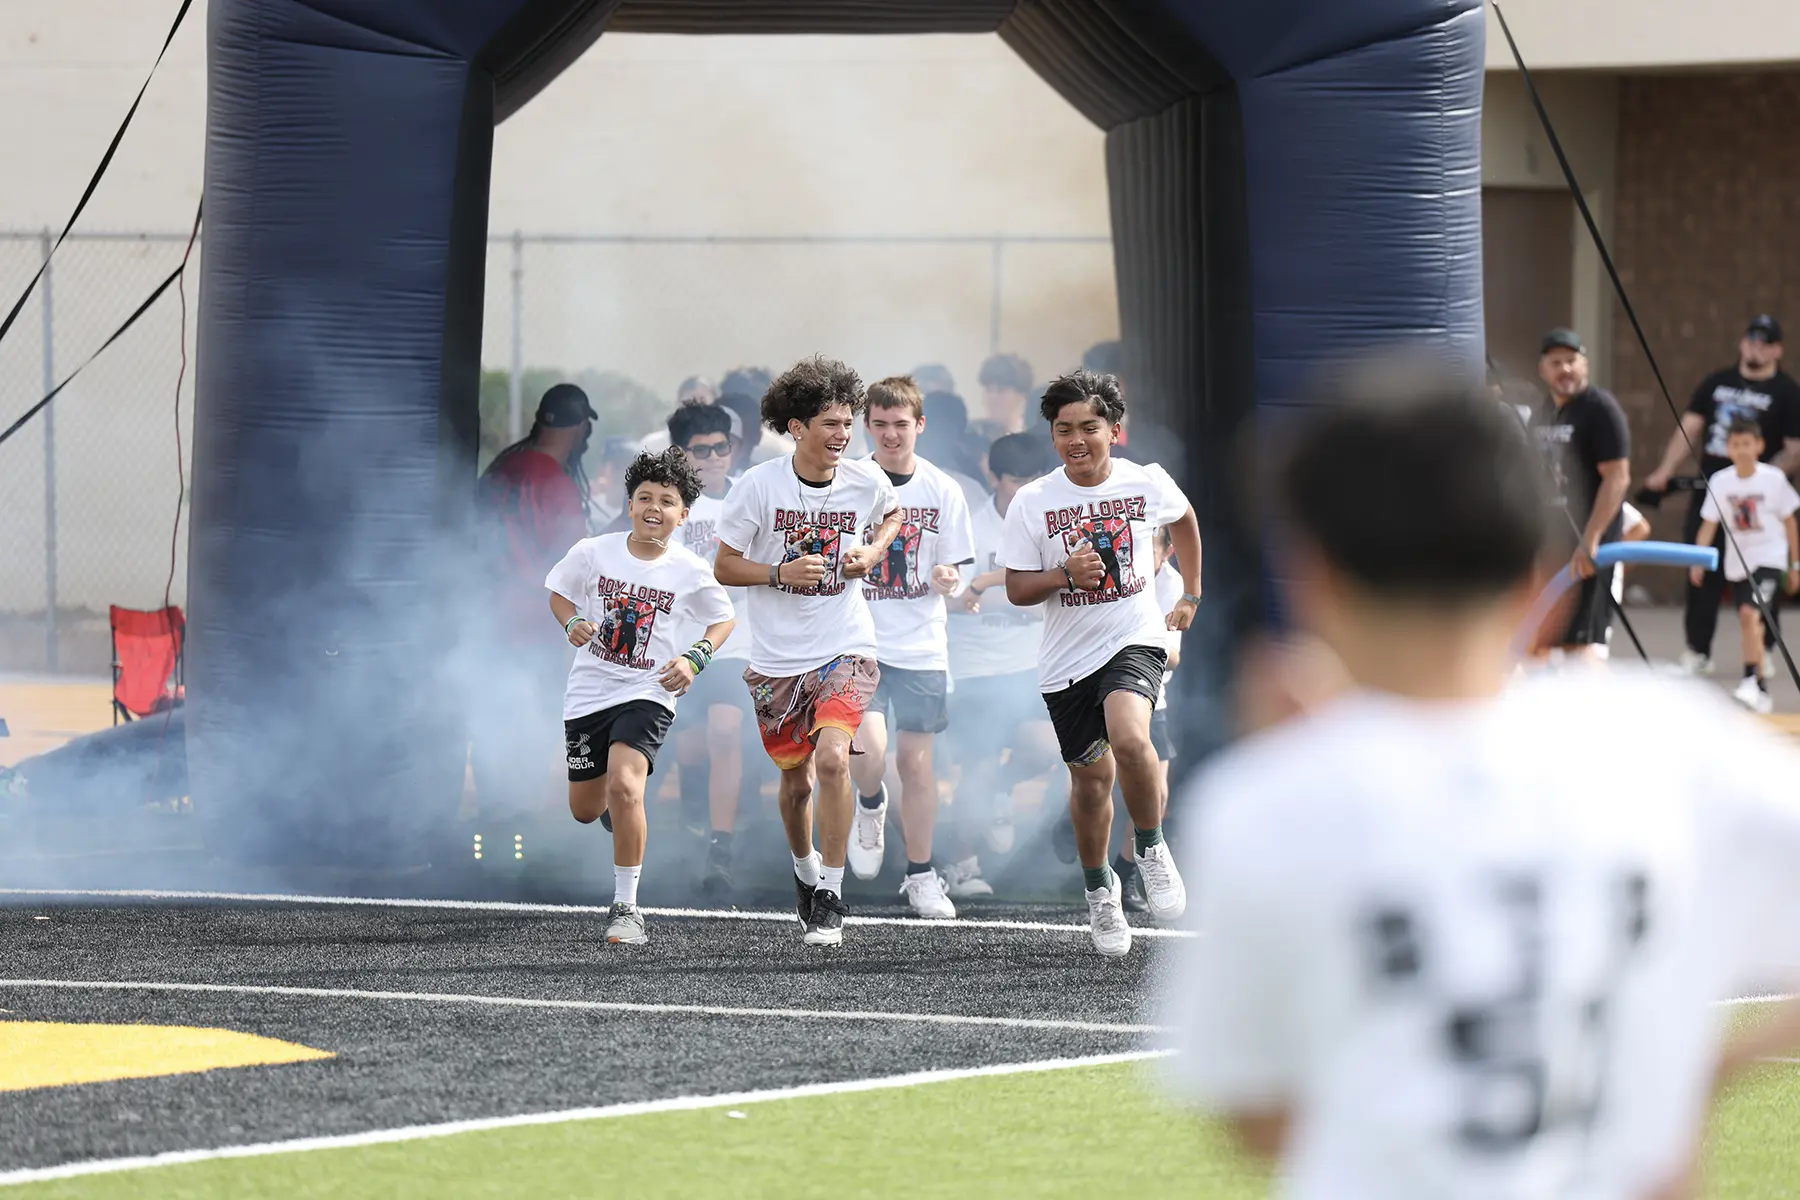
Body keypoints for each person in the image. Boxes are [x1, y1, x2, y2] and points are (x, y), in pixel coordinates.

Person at [1160, 360, 1800, 1200]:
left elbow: (1257, 1116)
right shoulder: (1668, 738)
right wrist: (1679, 1089)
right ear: (1532, 574)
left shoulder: (1268, 805)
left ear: (1314, 580)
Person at [1001, 369, 1201, 956]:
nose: (1076, 440)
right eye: (1064, 430)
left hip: (1134, 638)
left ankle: (1151, 847)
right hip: (1066, 661)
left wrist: (1190, 593)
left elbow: (1184, 520)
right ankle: (1098, 892)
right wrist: (1064, 575)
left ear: (1115, 430)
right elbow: (1015, 588)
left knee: (1133, 739)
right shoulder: (1032, 502)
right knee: (1092, 783)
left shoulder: (1147, 483)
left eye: (1089, 427)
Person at [714, 356, 902, 946]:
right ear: (795, 428)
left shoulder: (866, 480)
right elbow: (723, 566)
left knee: (832, 759)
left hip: (846, 644)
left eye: (849, 423)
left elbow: (892, 513)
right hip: (775, 661)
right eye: (830, 424)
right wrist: (778, 572)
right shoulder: (757, 486)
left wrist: (873, 554)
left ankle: (833, 892)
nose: (843, 435)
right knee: (795, 786)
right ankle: (805, 872)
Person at [545, 447, 735, 946]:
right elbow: (558, 593)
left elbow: (724, 618)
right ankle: (612, 807)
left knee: (628, 786)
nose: (654, 507)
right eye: (645, 497)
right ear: (630, 504)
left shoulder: (691, 568)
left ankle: (626, 907)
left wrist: (694, 658)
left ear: (683, 514)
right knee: (585, 809)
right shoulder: (593, 551)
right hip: (589, 692)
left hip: (648, 691)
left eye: (667, 501)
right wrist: (571, 622)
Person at [841, 377, 976, 918]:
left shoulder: (943, 489)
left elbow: (962, 571)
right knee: (868, 752)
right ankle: (870, 804)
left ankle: (922, 875)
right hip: (859, 637)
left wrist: (950, 579)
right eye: (880, 424)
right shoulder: (848, 482)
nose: (892, 434)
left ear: (920, 425)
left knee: (917, 765)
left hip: (922, 644)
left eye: (902, 424)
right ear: (865, 427)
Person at [1644, 315, 1800, 675]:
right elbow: (1691, 427)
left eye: (1765, 342)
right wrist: (1666, 469)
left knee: (1763, 568)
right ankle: (1698, 650)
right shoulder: (1717, 382)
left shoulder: (1788, 392)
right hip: (1713, 492)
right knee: (1702, 568)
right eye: (1751, 339)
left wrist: (1757, 477)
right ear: (1742, 342)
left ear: (1778, 349)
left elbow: (1794, 449)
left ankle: (1765, 647)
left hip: (1760, 501)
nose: (1756, 347)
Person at [471, 383, 597, 824]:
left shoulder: (503, 465)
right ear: (581, 427)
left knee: (487, 713)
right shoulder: (556, 483)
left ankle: (491, 812)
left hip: (479, 616)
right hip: (532, 622)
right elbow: (578, 566)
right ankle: (519, 818)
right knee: (530, 715)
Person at [944, 432, 1058, 897]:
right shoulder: (968, 525)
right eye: (1015, 481)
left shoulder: (1049, 521)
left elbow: (1054, 595)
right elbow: (953, 597)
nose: (1024, 491)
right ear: (993, 476)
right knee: (978, 765)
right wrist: (1010, 598)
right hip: (976, 667)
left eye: (1033, 480)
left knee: (1049, 751)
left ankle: (1000, 794)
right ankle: (961, 865)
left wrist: (991, 592)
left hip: (1034, 664)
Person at [662, 400, 757, 894]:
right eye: (704, 450)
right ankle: (692, 822)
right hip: (675, 644)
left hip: (734, 639)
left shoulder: (750, 496)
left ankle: (721, 846)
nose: (717, 457)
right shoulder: (664, 503)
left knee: (725, 730)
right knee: (690, 745)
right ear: (682, 453)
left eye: (723, 447)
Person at [1690, 416, 1800, 714]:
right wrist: (1697, 559)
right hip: (1738, 562)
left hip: (1770, 557)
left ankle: (1752, 680)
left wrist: (1795, 565)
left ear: (1759, 446)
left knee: (1751, 613)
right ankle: (1759, 686)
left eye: (1747, 444)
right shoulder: (1721, 481)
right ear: (1727, 448)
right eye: (1735, 445)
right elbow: (1708, 524)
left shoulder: (1772, 479)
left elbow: (1790, 521)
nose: (1742, 450)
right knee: (1746, 620)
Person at [1532, 328, 1630, 659]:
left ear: (1584, 365)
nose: (1565, 369)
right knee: (1540, 642)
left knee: (1581, 645)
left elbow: (1617, 477)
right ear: (1542, 370)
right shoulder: (1543, 411)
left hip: (1586, 547)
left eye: (1572, 361)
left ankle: (1593, 709)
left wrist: (1591, 540)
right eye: (1556, 362)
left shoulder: (1599, 408)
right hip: (1551, 546)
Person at [976, 352, 1034, 439]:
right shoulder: (973, 437)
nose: (992, 396)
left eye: (1001, 390)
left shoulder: (1032, 440)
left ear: (1021, 395)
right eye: (989, 390)